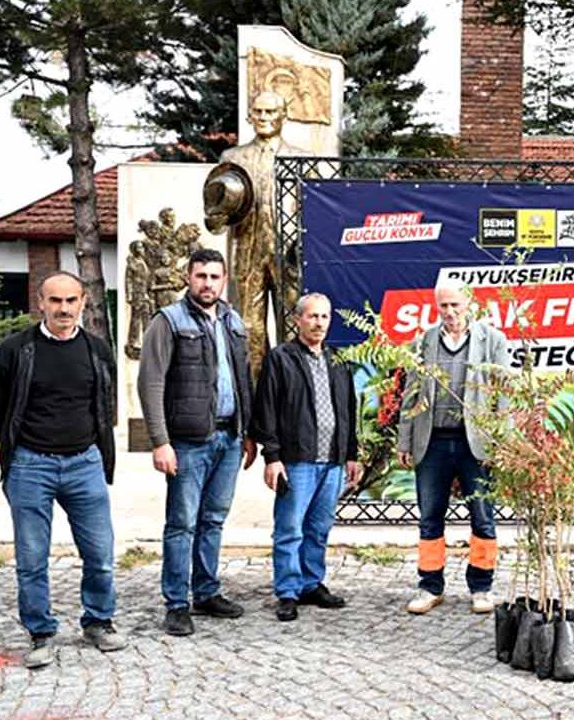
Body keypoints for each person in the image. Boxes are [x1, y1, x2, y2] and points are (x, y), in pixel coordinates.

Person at [0, 271, 124, 668]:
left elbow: (105, 405)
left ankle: (98, 621)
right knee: (32, 559)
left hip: (85, 464)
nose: (64, 309)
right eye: (55, 300)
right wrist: (21, 449)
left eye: (71, 300)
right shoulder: (15, 350)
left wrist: (96, 450)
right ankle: (40, 632)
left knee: (100, 553)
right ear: (41, 302)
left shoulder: (98, 350)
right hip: (31, 466)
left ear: (83, 302)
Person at [139, 248, 257, 636]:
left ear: (224, 280)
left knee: (213, 519)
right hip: (188, 442)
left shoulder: (233, 321)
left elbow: (243, 379)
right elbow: (151, 382)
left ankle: (206, 591)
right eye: (201, 276)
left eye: (214, 277)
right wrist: (160, 441)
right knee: (182, 523)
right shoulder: (168, 321)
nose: (208, 283)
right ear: (188, 278)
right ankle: (176, 603)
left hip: (229, 437)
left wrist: (248, 431)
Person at [397, 280, 510, 615]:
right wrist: (404, 440)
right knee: (430, 517)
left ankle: (482, 587)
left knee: (483, 517)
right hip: (432, 442)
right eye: (443, 306)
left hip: (476, 444)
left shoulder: (493, 341)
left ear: (469, 303)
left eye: (455, 305)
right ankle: (430, 586)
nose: (449, 312)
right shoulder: (424, 341)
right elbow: (410, 394)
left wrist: (501, 442)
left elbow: (503, 395)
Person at [250, 293, 362, 622]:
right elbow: (266, 408)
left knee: (319, 527)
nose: (319, 323)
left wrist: (351, 454)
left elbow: (349, 409)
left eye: (324, 316)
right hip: (296, 460)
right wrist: (272, 456)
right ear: (297, 320)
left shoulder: (338, 361)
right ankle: (287, 590)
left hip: (332, 461)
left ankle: (311, 583)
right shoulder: (280, 359)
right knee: (290, 528)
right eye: (312, 316)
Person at [206, 91, 307, 379]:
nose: (263, 117)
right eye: (258, 111)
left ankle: (291, 388)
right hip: (247, 252)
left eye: (270, 112)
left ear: (283, 115)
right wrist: (217, 214)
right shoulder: (232, 158)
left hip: (287, 254)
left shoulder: (300, 158)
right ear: (250, 115)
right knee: (249, 330)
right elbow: (215, 215)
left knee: (293, 322)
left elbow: (312, 208)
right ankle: (254, 395)